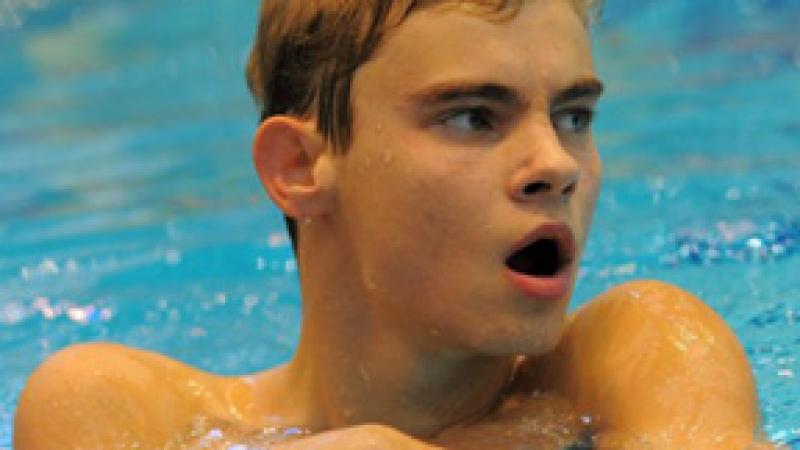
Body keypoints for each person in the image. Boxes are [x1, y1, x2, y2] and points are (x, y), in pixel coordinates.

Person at [14, 0, 776, 448]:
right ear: (299, 167)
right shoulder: (125, 412)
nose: (558, 162)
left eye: (574, 115)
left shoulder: (638, 352)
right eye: (474, 117)